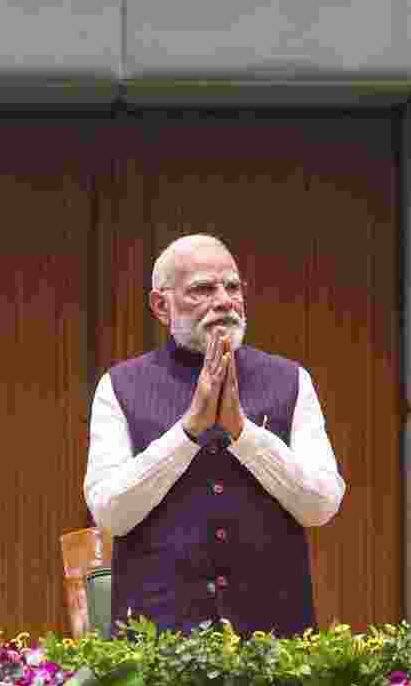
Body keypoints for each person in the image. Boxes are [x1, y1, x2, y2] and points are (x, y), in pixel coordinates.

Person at [84, 234, 345, 637]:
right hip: (157, 651)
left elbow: (322, 504)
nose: (224, 300)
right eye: (203, 289)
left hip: (275, 648)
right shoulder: (120, 386)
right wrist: (189, 431)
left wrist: (243, 434)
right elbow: (109, 512)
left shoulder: (291, 380)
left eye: (233, 287)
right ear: (160, 305)